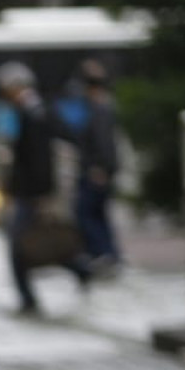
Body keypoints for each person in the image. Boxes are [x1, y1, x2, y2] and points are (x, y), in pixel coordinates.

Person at [0, 60, 90, 315]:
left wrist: (42, 193)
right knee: (36, 241)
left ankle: (31, 297)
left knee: (21, 245)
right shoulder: (34, 110)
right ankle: (78, 269)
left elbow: (39, 158)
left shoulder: (35, 112)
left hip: (34, 193)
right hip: (32, 191)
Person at [74, 60, 123, 272]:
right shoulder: (102, 106)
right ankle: (109, 254)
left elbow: (103, 141)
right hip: (98, 169)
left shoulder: (99, 108)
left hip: (96, 171)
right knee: (98, 213)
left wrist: (100, 167)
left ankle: (103, 252)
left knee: (87, 213)